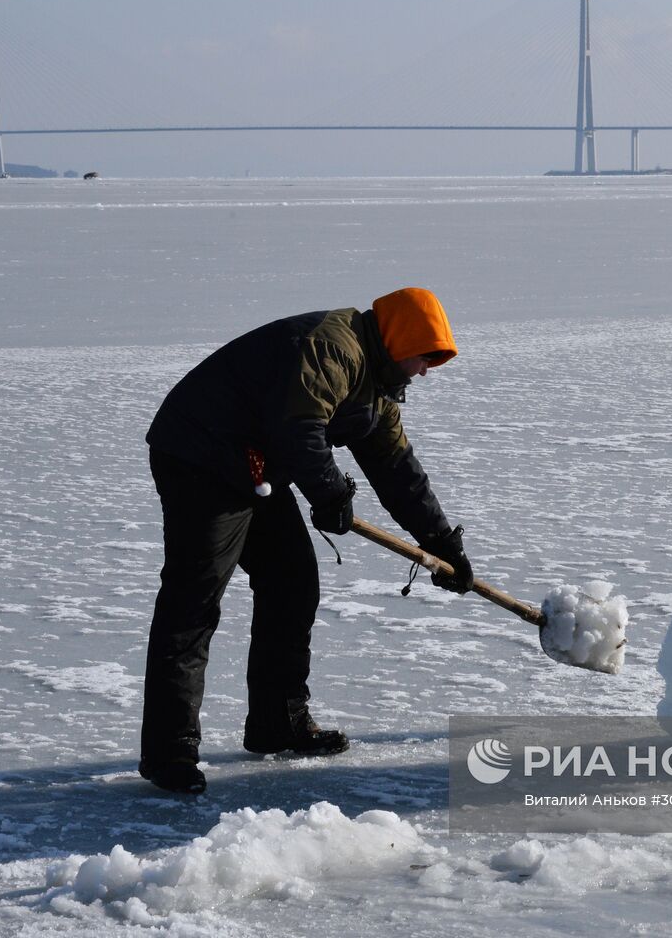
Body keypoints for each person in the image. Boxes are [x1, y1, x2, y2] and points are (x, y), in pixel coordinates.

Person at [139, 287, 474, 793]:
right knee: (194, 600)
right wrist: (331, 493)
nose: (427, 370)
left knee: (291, 582)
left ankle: (278, 722)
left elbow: (395, 467)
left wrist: (442, 542)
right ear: (402, 336)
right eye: (426, 356)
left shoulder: (377, 383)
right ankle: (170, 753)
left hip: (259, 464)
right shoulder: (333, 348)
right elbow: (299, 427)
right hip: (201, 454)